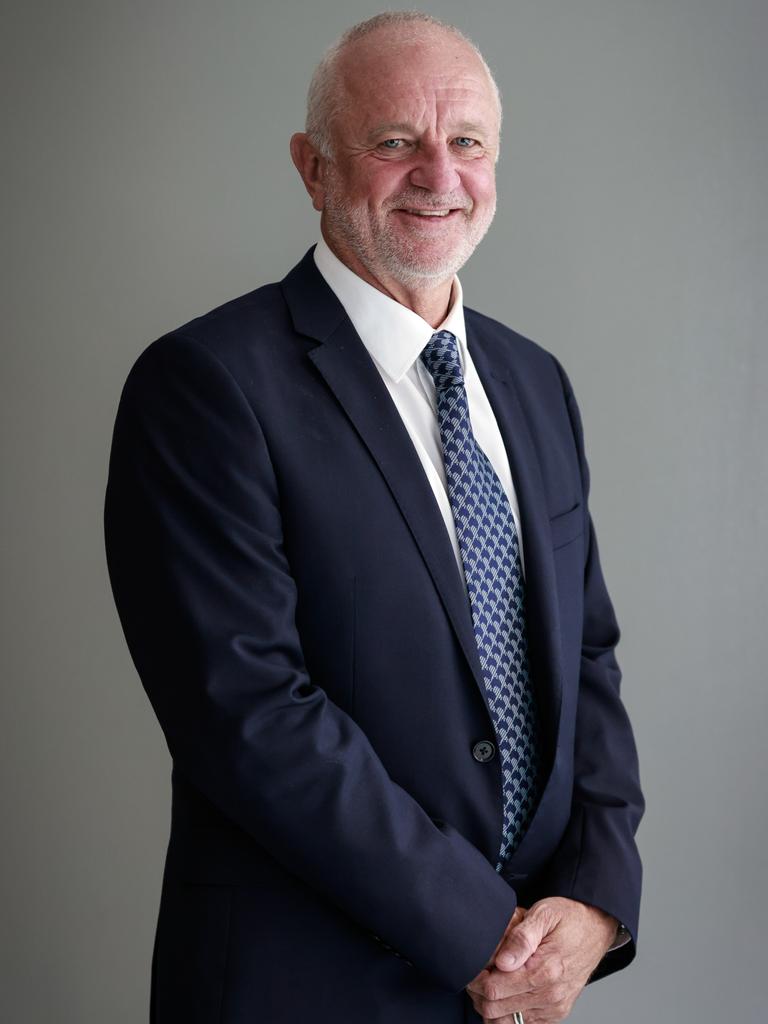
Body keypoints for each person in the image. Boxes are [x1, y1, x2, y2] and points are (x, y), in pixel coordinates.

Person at [104, 11, 643, 1024]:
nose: (439, 174)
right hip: (300, 982)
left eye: (467, 142)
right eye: (394, 141)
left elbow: (586, 659)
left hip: (517, 985)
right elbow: (249, 712)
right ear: (313, 169)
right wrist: (483, 927)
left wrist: (598, 895)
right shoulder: (208, 384)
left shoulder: (533, 381)